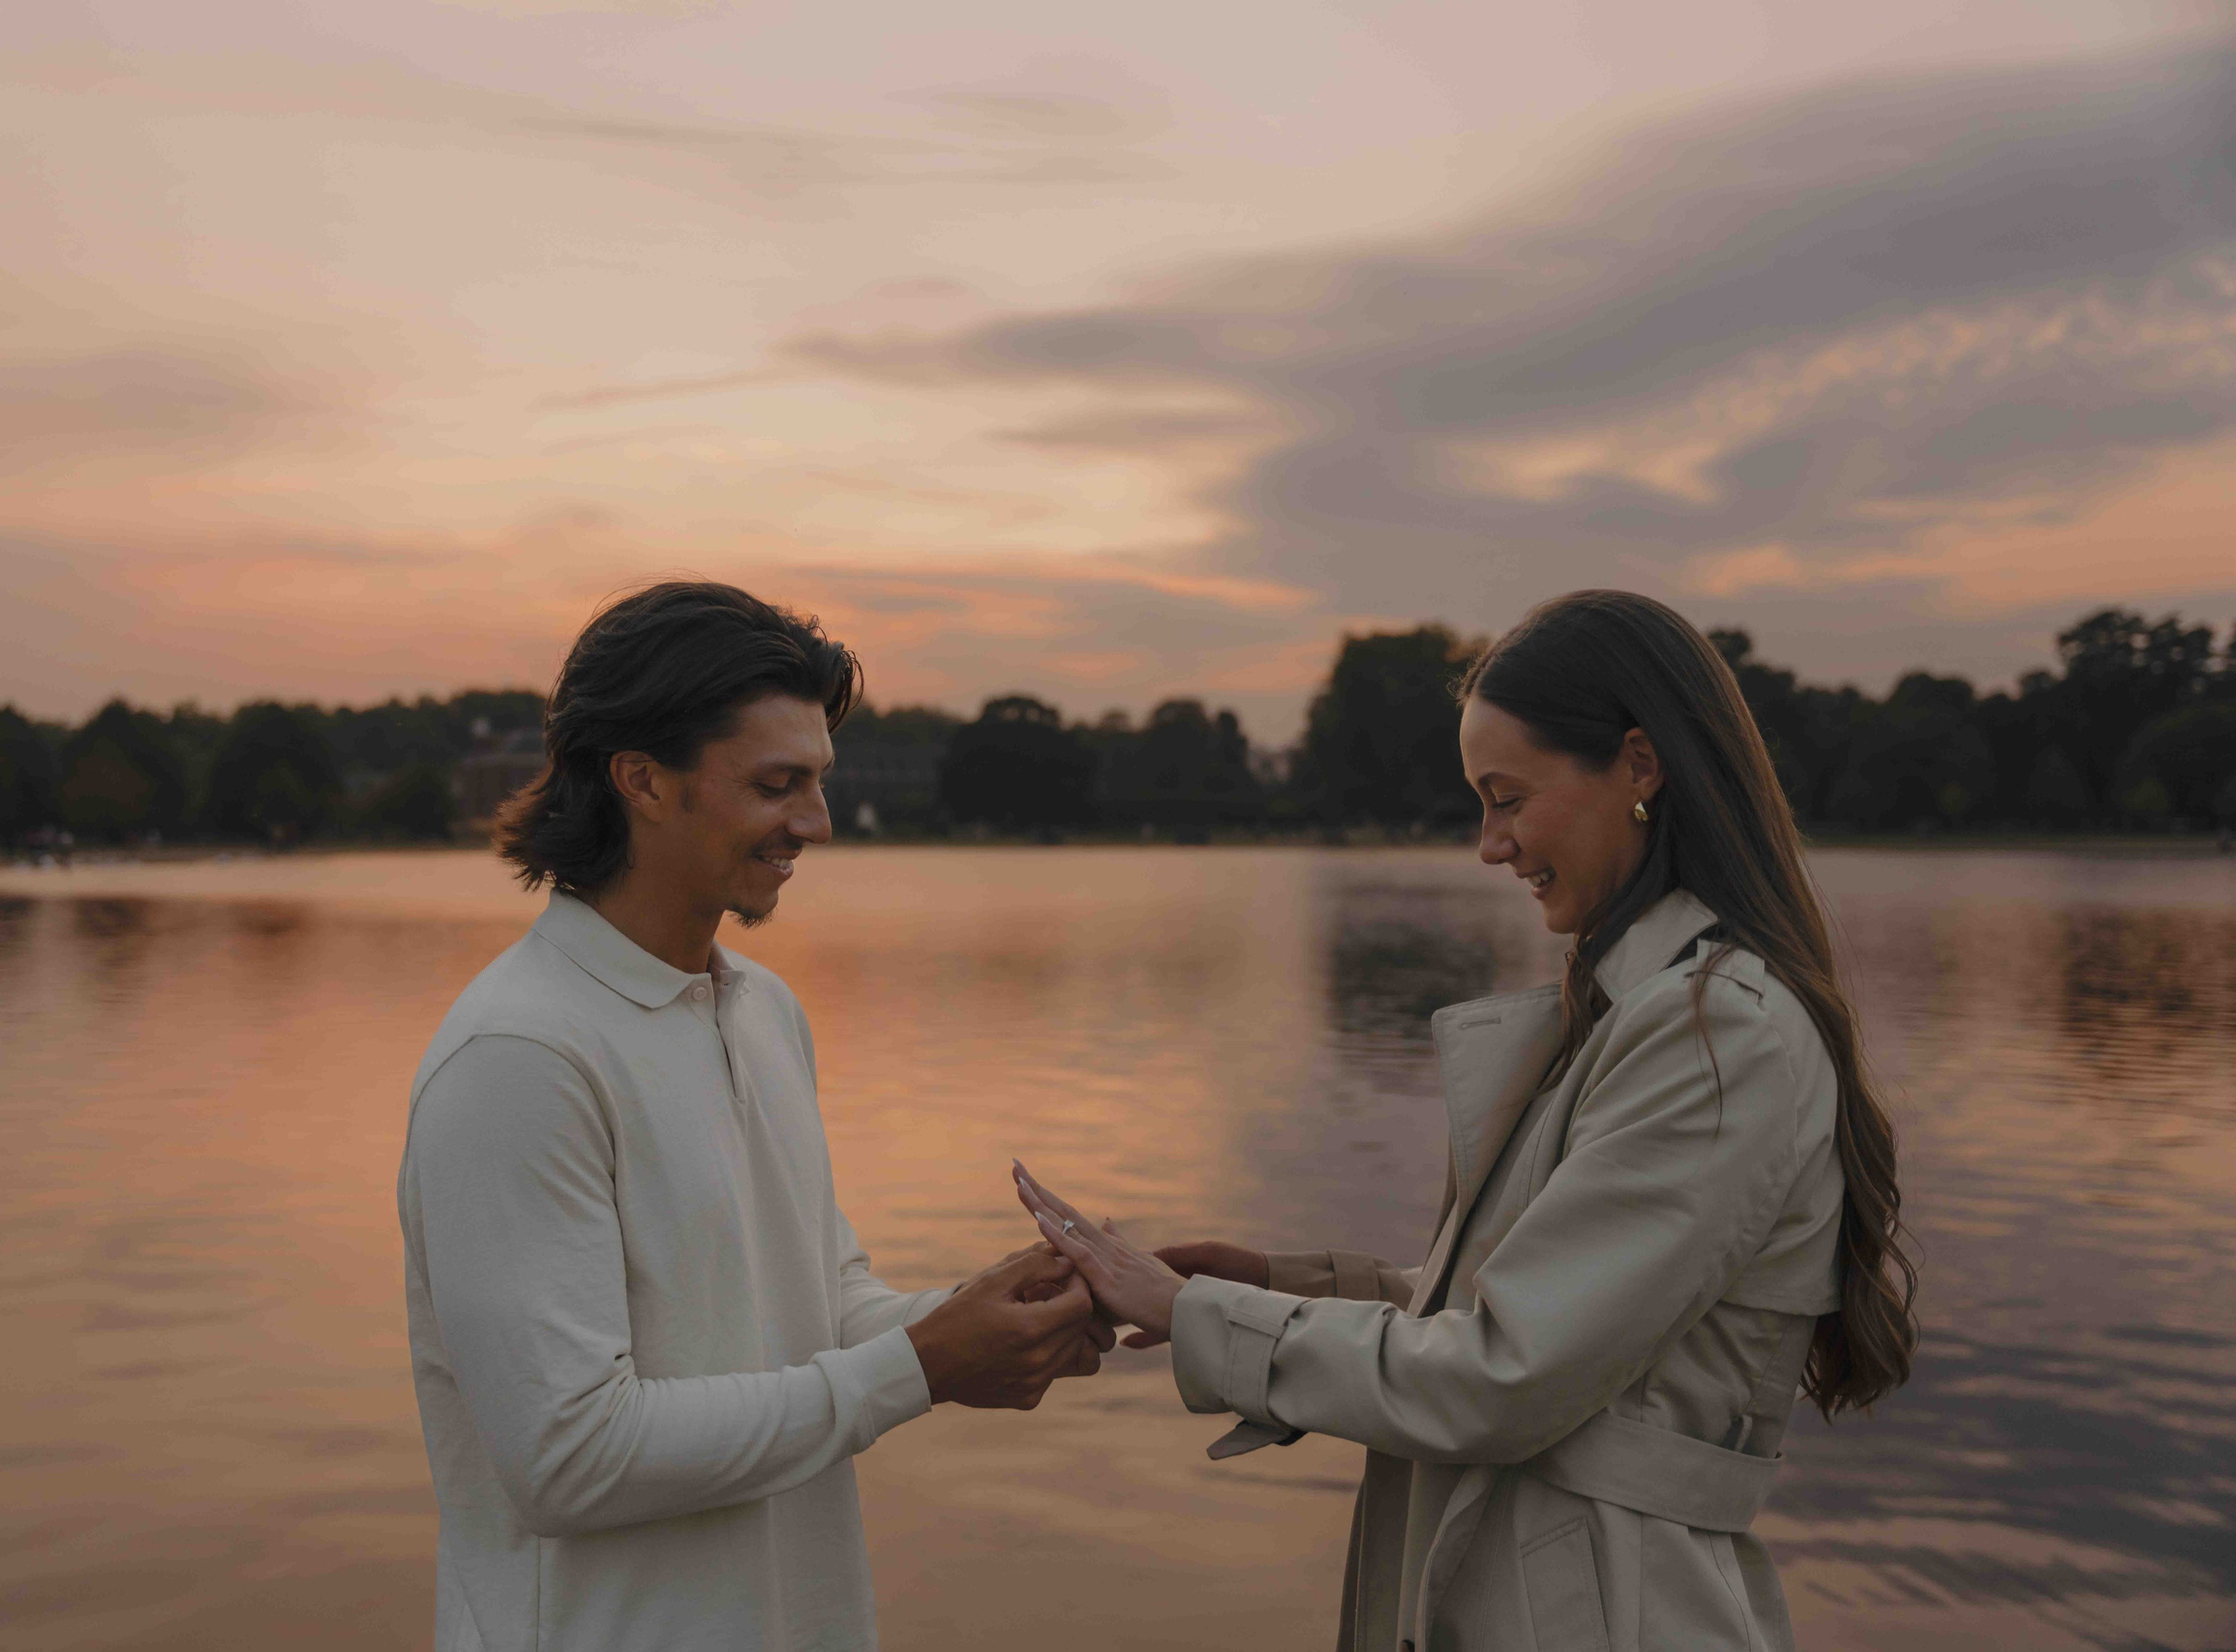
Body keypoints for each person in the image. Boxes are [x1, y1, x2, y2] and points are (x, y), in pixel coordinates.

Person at [1017, 589, 1919, 1652]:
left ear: (1639, 765)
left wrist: (1199, 1315)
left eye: (1507, 798)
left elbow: (1502, 1377)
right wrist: (1262, 1284)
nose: (1490, 845)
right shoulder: (1643, 1013)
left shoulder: (1715, 1035)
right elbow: (1530, 1326)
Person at [398, 582, 1107, 1652]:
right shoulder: (518, 1057)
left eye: (818, 782)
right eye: (777, 785)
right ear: (641, 779)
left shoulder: (764, 1010)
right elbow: (567, 1459)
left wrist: (993, 1318)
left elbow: (819, 1310)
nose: (816, 824)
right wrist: (922, 1367)